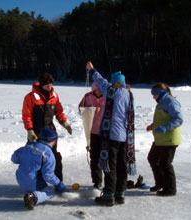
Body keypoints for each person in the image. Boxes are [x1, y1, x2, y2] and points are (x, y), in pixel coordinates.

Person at [86, 61, 135, 206]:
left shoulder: (111, 91)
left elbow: (100, 81)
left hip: (111, 136)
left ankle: (108, 195)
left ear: (115, 83)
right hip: (125, 136)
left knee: (109, 165)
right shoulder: (129, 94)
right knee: (122, 165)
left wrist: (92, 69)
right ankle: (120, 194)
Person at [22, 73, 72, 181]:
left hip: (50, 133)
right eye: (46, 86)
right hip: (36, 133)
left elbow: (59, 112)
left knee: (54, 157)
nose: (49, 87)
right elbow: (26, 116)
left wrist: (65, 123)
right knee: (35, 159)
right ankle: (34, 184)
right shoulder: (30, 97)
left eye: (50, 85)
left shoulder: (54, 96)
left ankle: (58, 182)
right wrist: (30, 131)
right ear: (41, 85)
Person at [11, 128, 66, 210]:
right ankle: (33, 197)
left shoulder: (28, 146)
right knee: (50, 192)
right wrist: (58, 183)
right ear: (53, 141)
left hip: (20, 180)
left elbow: (14, 159)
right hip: (33, 183)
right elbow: (48, 175)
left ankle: (29, 192)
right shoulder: (48, 154)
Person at [146, 83, 183, 196]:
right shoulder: (162, 102)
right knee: (152, 158)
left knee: (165, 163)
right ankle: (160, 183)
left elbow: (178, 119)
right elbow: (163, 118)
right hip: (160, 140)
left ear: (161, 93)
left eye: (155, 94)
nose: (153, 97)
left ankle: (170, 189)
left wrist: (165, 127)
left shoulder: (171, 102)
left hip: (169, 140)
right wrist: (153, 125)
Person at [78, 82, 105, 189]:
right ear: (94, 90)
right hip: (93, 131)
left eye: (101, 89)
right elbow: (81, 109)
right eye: (98, 89)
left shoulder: (107, 96)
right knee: (94, 158)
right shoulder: (87, 96)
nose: (100, 91)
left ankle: (111, 180)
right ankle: (97, 181)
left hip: (106, 131)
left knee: (107, 157)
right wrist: (91, 110)